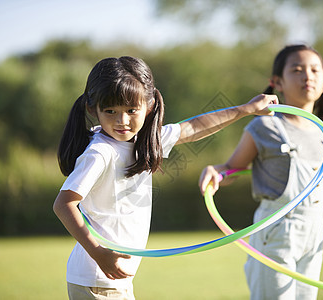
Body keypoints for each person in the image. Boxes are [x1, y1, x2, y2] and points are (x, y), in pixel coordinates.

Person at [53, 56, 278, 300]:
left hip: (113, 277)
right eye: (110, 111)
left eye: (131, 110)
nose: (122, 121)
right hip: (96, 277)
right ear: (92, 109)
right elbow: (64, 204)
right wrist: (98, 253)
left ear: (148, 107)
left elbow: (194, 128)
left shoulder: (143, 141)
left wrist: (246, 109)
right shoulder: (101, 152)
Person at [198, 45, 323, 300]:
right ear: (277, 82)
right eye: (297, 70)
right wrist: (216, 172)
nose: (307, 76)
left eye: (314, 70)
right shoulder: (265, 125)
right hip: (275, 230)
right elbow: (233, 169)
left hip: (314, 234)